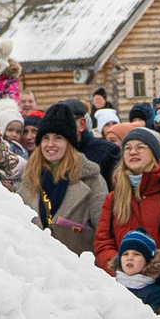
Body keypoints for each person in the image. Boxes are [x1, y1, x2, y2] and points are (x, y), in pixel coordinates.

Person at [94, 125, 160, 274]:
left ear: (154, 154)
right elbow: (103, 242)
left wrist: (154, 271)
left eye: (140, 147)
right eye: (128, 148)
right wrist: (120, 269)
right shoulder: (113, 198)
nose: (133, 152)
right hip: (120, 283)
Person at [19, 103, 107, 253]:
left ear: (69, 142)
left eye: (58, 138)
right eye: (46, 138)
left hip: (77, 268)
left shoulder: (91, 180)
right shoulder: (29, 179)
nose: (50, 144)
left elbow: (104, 231)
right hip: (36, 266)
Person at [112, 229, 160, 316]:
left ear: (148, 261)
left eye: (136, 254)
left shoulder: (155, 293)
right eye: (125, 254)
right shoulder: (112, 285)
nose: (130, 258)